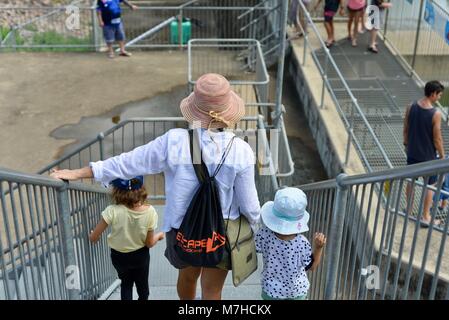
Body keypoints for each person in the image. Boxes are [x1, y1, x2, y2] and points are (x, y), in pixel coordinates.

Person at [50, 73, 261, 300]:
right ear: (228, 112)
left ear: (195, 110)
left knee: (187, 278)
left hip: (183, 229)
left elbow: (127, 162)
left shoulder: (175, 141)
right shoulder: (241, 150)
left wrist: (78, 173)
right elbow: (250, 206)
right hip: (222, 230)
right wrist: (257, 227)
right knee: (212, 291)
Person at [89, 176, 164, 300]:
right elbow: (149, 243)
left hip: (119, 256)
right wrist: (159, 236)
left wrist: (92, 236)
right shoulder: (150, 212)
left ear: (117, 191)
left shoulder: (112, 211)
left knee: (126, 284)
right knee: (142, 288)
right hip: (140, 256)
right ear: (142, 190)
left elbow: (94, 237)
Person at [255, 187, 326, 300]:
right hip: (296, 291)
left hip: (271, 290)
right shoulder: (302, 243)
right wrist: (318, 248)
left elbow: (254, 247)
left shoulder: (264, 234)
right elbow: (311, 267)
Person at [403, 80, 445, 227]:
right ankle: (426, 217)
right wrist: (443, 156)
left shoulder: (411, 106)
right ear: (433, 94)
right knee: (430, 185)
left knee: (411, 181)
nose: (439, 98)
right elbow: (437, 138)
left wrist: (406, 145)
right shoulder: (436, 114)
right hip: (428, 158)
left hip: (412, 154)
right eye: (439, 95)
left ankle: (408, 211)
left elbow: (406, 129)